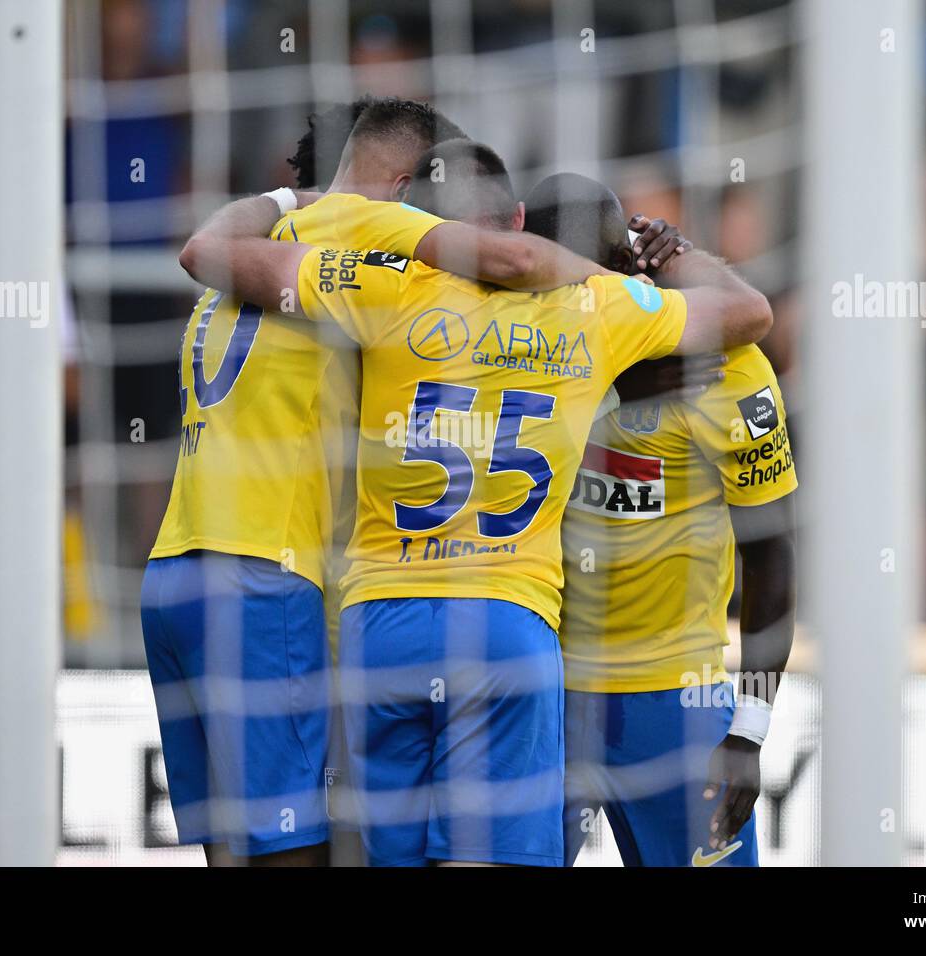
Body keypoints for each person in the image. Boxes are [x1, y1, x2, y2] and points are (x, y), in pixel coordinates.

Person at [192, 138, 772, 866]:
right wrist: (666, 251)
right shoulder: (601, 309)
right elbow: (747, 310)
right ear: (516, 221)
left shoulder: (378, 291)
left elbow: (210, 253)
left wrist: (296, 203)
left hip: (383, 626)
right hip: (512, 629)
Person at [146, 100, 614, 866]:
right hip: (268, 574)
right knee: (298, 847)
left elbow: (200, 245)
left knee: (236, 844)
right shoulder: (379, 238)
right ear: (404, 183)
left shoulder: (265, 241)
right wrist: (616, 292)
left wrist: (285, 198)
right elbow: (512, 264)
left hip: (173, 574)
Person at [520, 174, 798, 867]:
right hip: (541, 692)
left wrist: (750, 729)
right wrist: (611, 392)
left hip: (674, 704)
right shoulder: (511, 347)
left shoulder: (726, 366)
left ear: (629, 264)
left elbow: (769, 555)